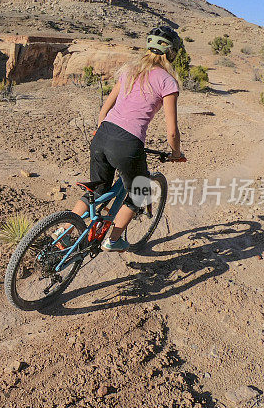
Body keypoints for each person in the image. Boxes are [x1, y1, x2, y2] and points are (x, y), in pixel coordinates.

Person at [70, 25, 185, 252]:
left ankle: (63, 230)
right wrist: (175, 153)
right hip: (127, 143)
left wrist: (99, 133)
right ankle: (113, 240)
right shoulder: (167, 81)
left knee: (97, 191)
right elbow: (172, 131)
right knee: (141, 192)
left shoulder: (129, 70)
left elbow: (105, 109)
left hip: (102, 134)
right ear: (172, 53)